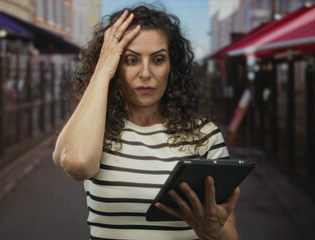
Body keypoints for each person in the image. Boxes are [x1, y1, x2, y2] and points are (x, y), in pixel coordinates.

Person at [53, 5, 240, 240]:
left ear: (172, 66)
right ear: (115, 67)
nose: (145, 73)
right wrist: (102, 69)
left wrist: (214, 233)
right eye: (131, 60)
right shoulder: (95, 129)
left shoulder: (204, 134)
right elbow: (78, 164)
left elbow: (230, 233)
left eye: (158, 59)